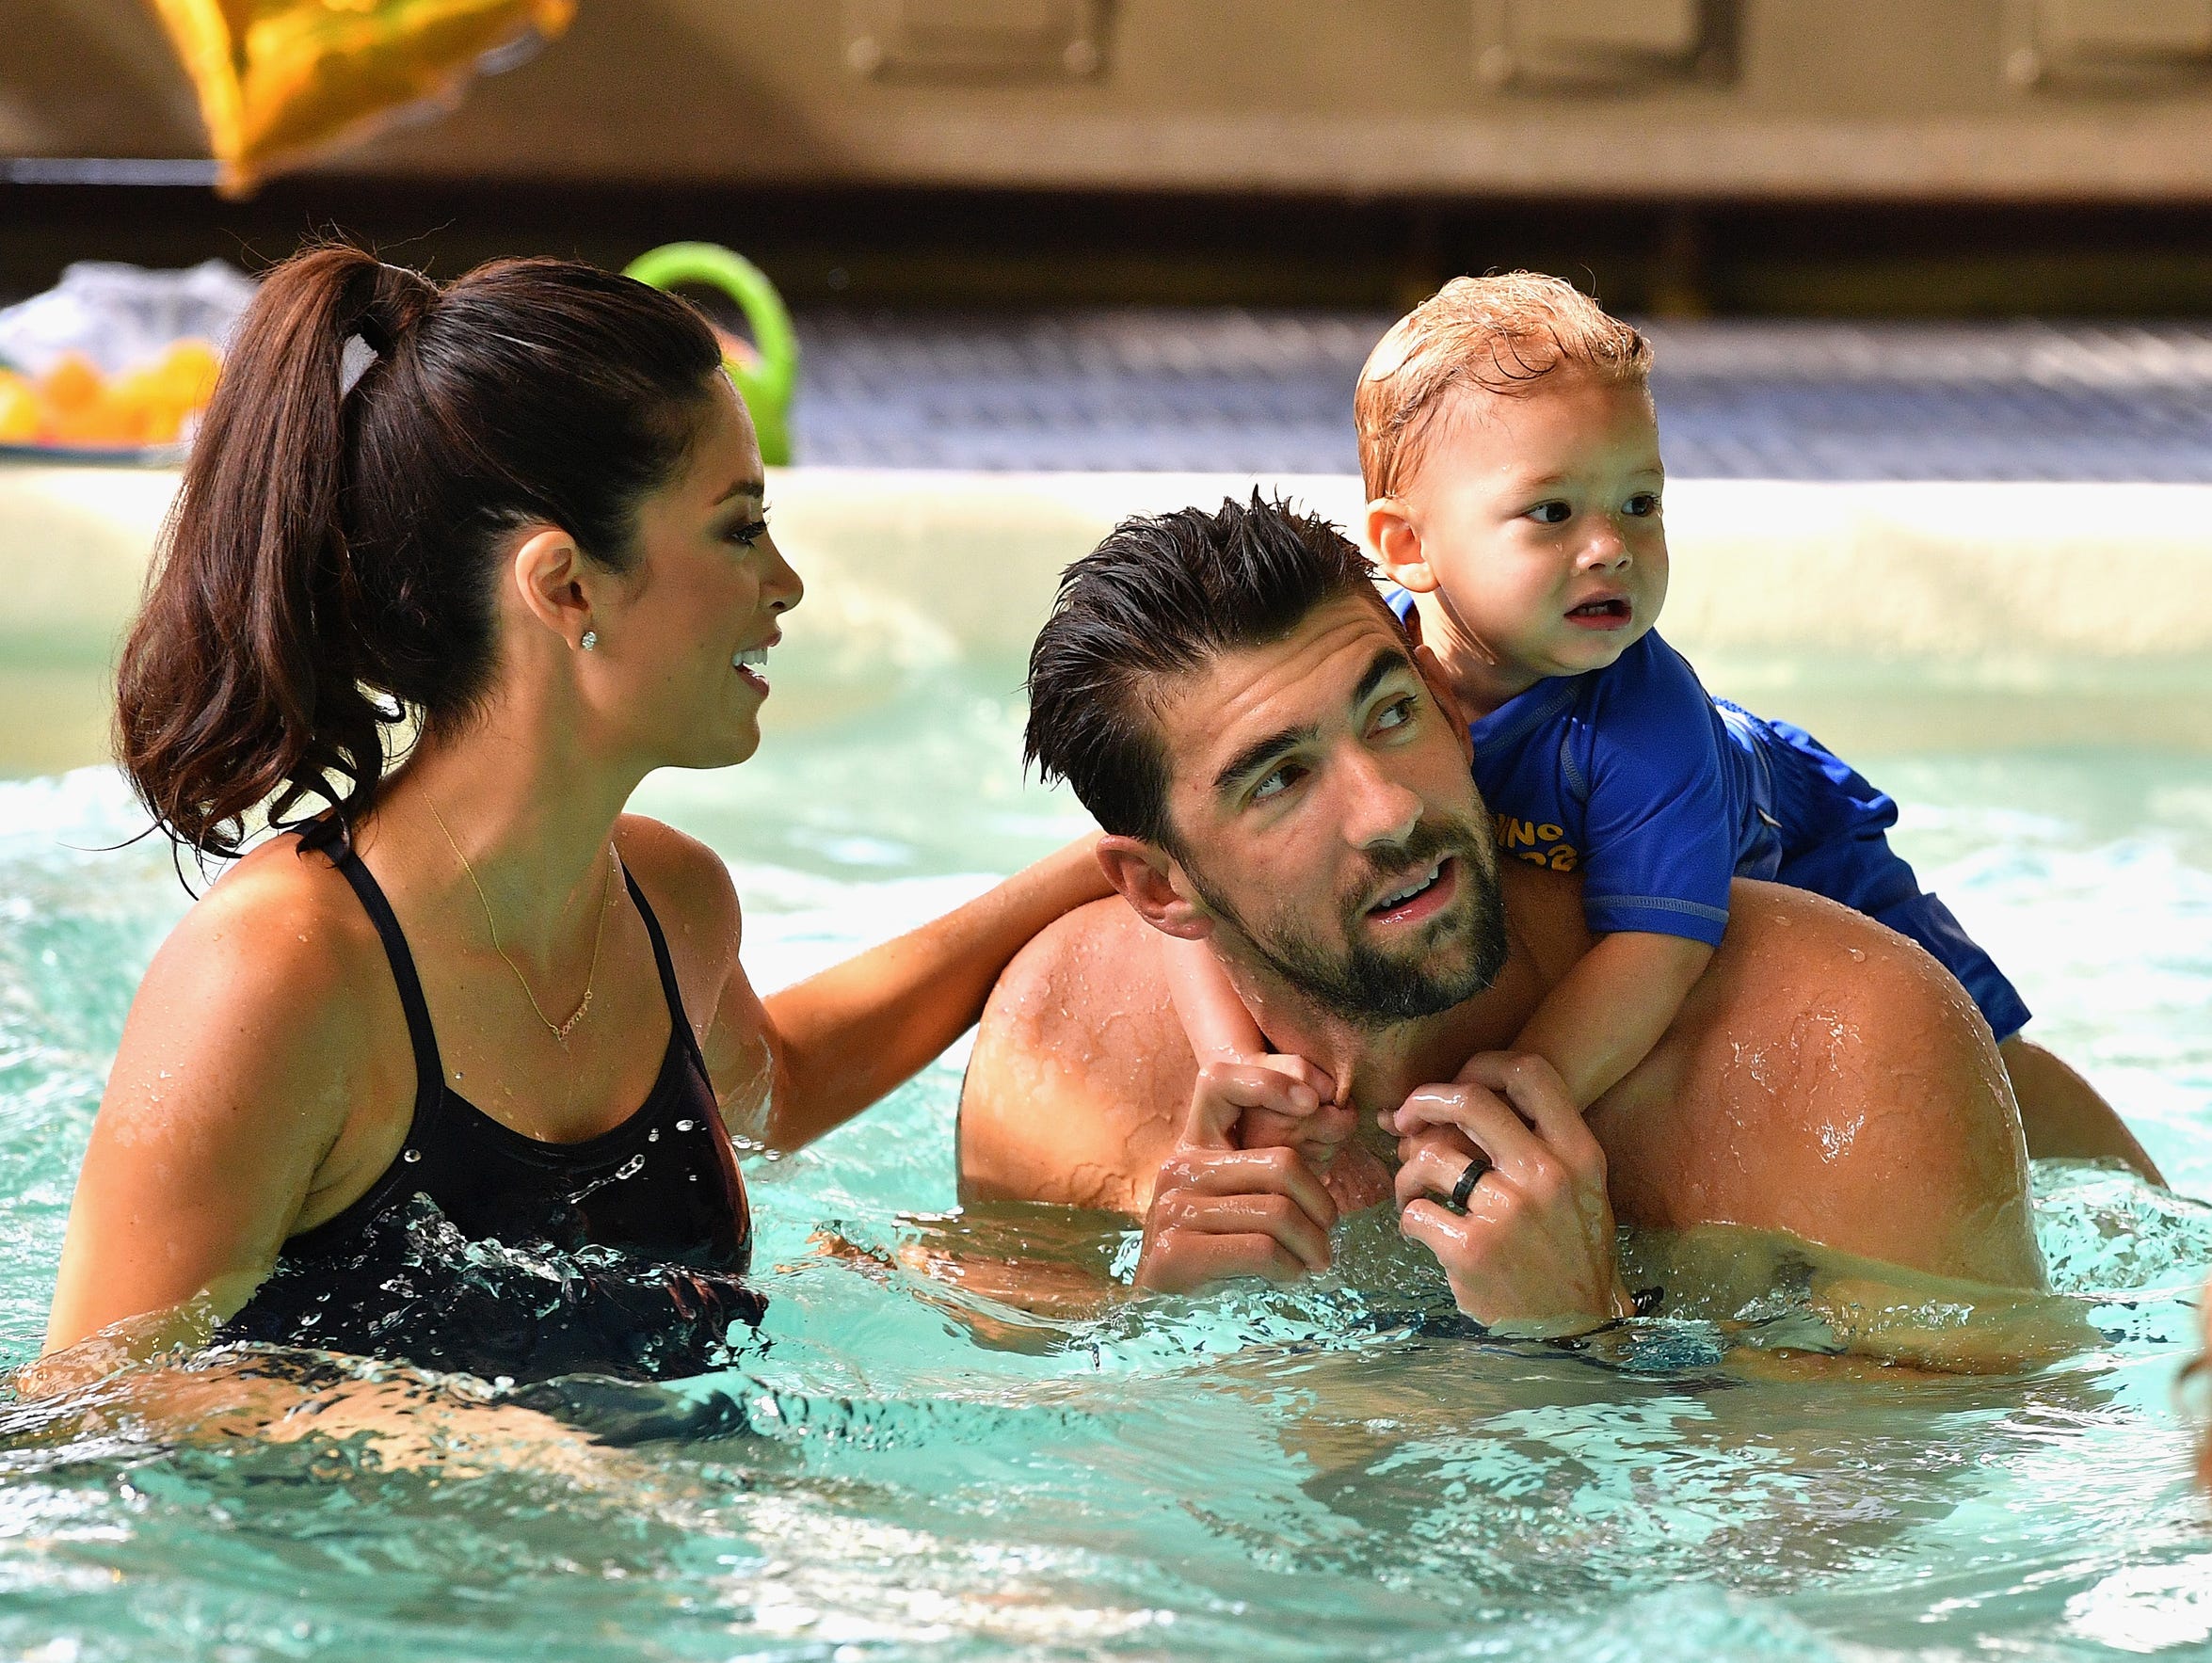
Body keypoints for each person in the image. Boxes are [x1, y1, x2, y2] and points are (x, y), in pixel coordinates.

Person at [40, 245, 1107, 1386]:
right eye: (739, 526)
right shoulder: (278, 973)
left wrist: (1092, 871)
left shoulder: (673, 902)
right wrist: (459, 1441)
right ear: (565, 587)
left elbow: (777, 1085)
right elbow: (94, 1392)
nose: (785, 582)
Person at [959, 495, 2075, 1360]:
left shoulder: (1838, 1046)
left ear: (1450, 710)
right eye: (1281, 781)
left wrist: (1586, 1340)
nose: (1390, 811)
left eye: (1392, 717)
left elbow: (1920, 1525)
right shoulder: (1067, 1047)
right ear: (1159, 890)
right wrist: (1159, 1333)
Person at [1163, 274, 2159, 1183]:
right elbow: (1186, 862)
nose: (1611, 548)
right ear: (1407, 545)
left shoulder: (1644, 725)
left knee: (1984, 1052)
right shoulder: (1358, 666)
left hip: (1800, 846)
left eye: (1640, 503)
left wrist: (1512, 1094)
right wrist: (1238, 1063)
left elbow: (1654, 951)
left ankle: (2148, 1197)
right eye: (1551, 513)